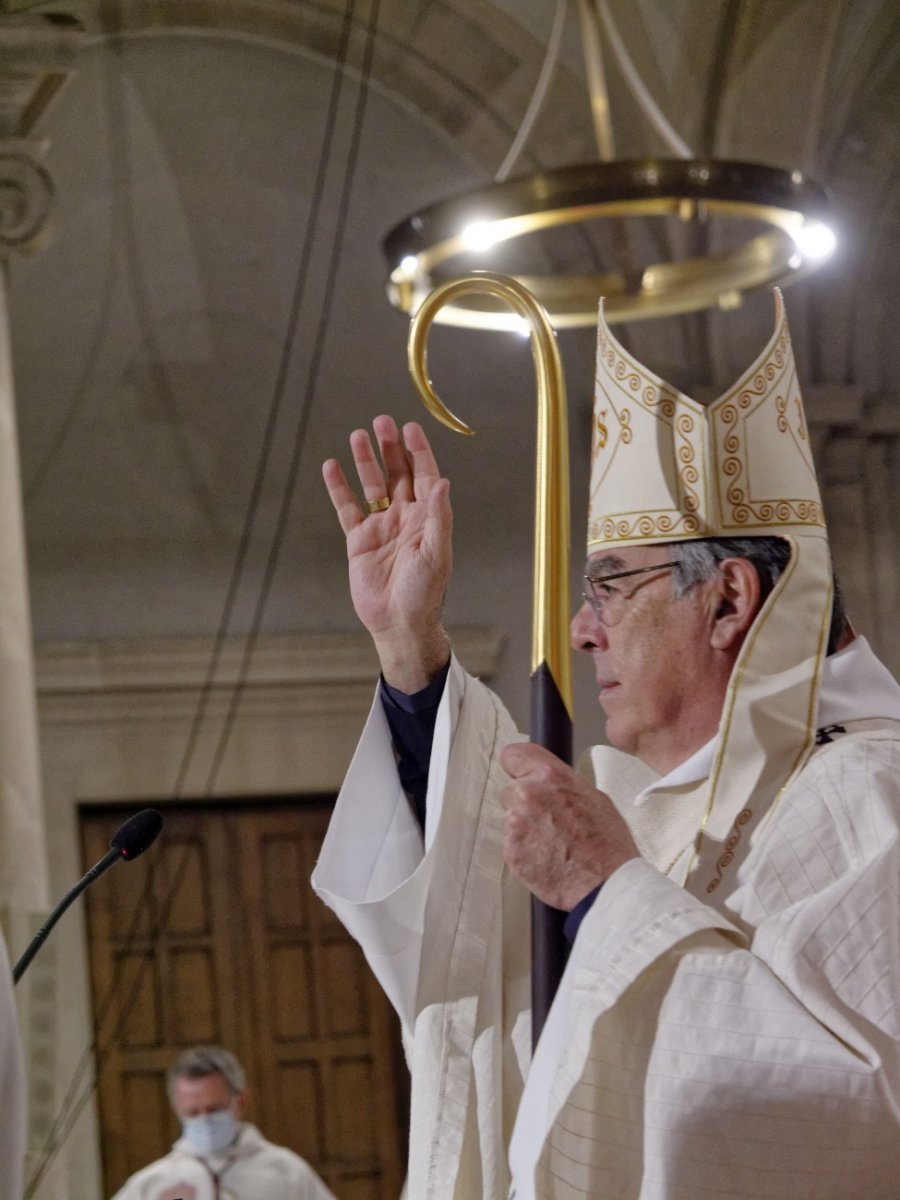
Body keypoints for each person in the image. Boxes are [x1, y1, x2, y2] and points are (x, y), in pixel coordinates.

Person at [313, 289, 900, 1199]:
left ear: (730, 600)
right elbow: (487, 948)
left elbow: (847, 1114)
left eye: (611, 587)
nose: (582, 631)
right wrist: (409, 647)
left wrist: (607, 889)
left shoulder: (871, 796)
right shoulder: (651, 811)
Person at [110, 1045, 337, 1200]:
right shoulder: (153, 1184)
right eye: (193, 1112)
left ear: (240, 1102)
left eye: (214, 1109)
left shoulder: (285, 1171)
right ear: (177, 1110)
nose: (205, 1121)